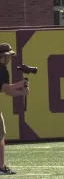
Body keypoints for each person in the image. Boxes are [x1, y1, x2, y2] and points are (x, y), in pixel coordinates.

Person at [0, 43, 29, 174]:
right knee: (0, 136)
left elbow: (3, 88)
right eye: (8, 56)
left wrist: (20, 88)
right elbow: (7, 91)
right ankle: (1, 167)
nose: (10, 59)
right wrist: (22, 90)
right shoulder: (3, 70)